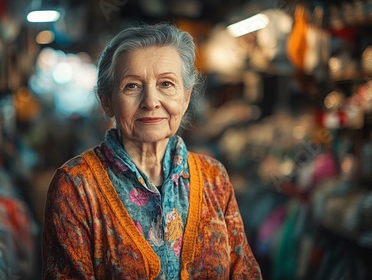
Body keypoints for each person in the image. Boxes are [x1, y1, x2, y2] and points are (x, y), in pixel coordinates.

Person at [42, 23, 262, 279]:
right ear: (107, 101)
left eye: (166, 84)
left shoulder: (214, 177)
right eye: (132, 86)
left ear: (186, 97)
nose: (150, 101)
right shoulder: (76, 186)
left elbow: (244, 271)